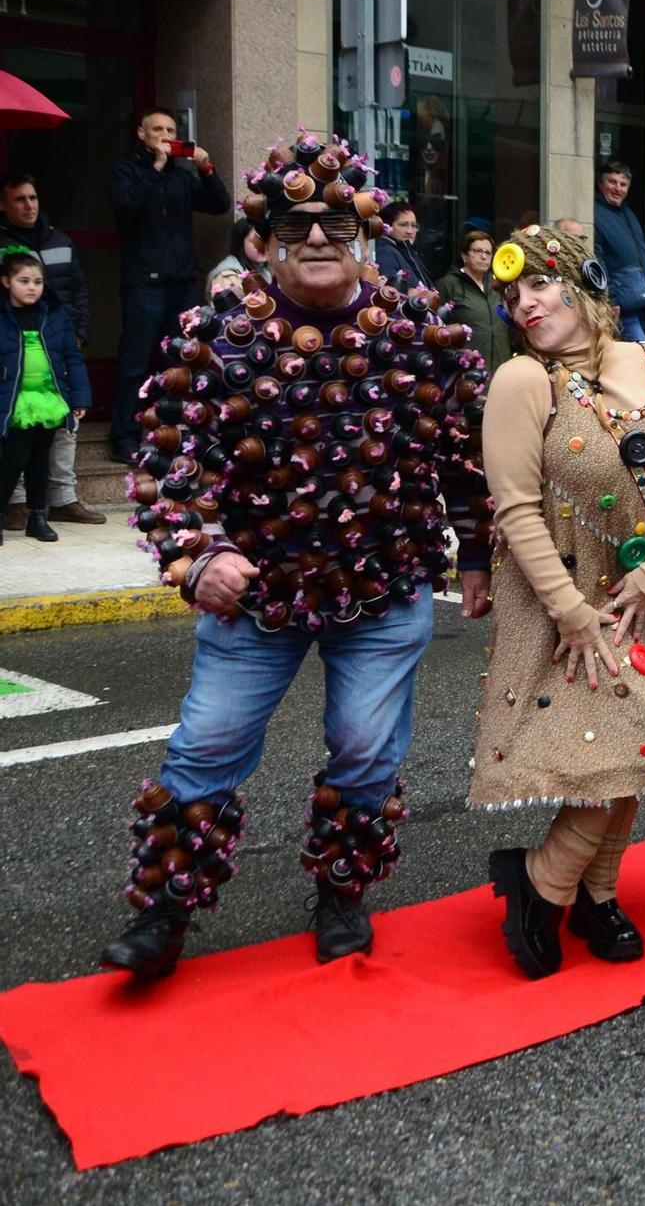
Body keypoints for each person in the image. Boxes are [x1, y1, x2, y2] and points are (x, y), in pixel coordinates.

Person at [97, 131, 493, 980]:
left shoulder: (423, 333)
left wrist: (479, 552)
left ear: (368, 235)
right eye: (294, 224)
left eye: (336, 224)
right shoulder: (217, 337)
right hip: (257, 593)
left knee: (363, 744)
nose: (316, 238)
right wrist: (196, 553)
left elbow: (471, 448)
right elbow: (167, 462)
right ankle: (166, 908)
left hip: (384, 588)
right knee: (208, 740)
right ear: (262, 239)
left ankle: (343, 886)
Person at [474, 224, 645, 978]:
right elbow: (514, 509)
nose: (525, 304)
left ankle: (586, 890)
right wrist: (572, 614)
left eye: (541, 284)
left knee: (643, 744)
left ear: (584, 285)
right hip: (566, 598)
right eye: (512, 295)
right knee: (616, 745)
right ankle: (549, 883)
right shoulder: (522, 381)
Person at [108, 108, 231, 463]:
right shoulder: (127, 172)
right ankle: (124, 438)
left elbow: (219, 204)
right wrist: (156, 168)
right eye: (157, 129)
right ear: (141, 134)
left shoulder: (181, 177)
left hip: (181, 285)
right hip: (143, 283)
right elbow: (126, 208)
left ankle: (170, 432)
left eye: (171, 129)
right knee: (134, 364)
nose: (165, 135)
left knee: (178, 365)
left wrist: (205, 168)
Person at [1, 171, 103, 528]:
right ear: (3, 205)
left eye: (33, 197)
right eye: (19, 199)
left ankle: (62, 498)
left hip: (59, 344)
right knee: (14, 434)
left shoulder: (59, 238)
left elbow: (80, 288)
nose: (29, 205)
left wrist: (80, 330)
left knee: (63, 429)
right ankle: (14, 503)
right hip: (16, 349)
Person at [0, 251, 89, 544]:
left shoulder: (53, 314)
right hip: (14, 400)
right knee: (13, 460)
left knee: (40, 461)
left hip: (47, 398)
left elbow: (72, 358)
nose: (32, 287)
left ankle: (37, 517)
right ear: (5, 282)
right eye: (23, 281)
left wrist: (79, 398)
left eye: (37, 281)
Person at [592, 160, 645, 343]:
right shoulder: (596, 213)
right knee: (643, 354)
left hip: (639, 302)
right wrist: (610, 299)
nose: (617, 188)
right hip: (621, 305)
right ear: (601, 184)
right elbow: (599, 260)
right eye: (612, 182)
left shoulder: (628, 214)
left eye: (623, 184)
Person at [437, 229, 509, 374]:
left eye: (488, 253)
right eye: (477, 251)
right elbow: (437, 330)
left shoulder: (498, 285)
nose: (483, 257)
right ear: (465, 256)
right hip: (466, 370)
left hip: (500, 367)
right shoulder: (448, 285)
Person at [372, 201, 431, 289]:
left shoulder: (405, 251)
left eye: (414, 226)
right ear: (387, 227)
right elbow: (391, 294)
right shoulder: (385, 252)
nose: (410, 231)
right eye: (403, 225)